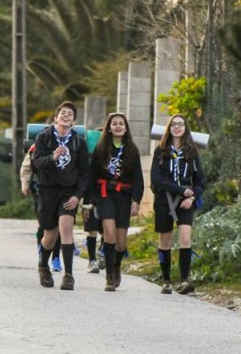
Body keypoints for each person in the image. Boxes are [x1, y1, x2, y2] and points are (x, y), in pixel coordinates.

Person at [32, 101, 88, 290]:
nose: (66, 115)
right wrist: (52, 158)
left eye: (70, 114)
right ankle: (43, 266)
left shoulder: (78, 142)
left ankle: (69, 276)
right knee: (50, 235)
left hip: (68, 192)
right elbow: (37, 163)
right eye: (63, 113)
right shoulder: (44, 138)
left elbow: (84, 172)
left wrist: (77, 196)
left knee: (66, 230)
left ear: (73, 121)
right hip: (47, 191)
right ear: (56, 118)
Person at [84, 113, 144, 291]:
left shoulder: (132, 150)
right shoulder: (101, 148)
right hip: (105, 194)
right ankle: (109, 276)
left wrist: (136, 200)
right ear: (109, 128)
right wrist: (88, 201)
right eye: (114, 123)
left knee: (121, 243)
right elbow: (92, 175)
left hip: (124, 196)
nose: (118, 126)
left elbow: (138, 179)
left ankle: (117, 267)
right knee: (109, 233)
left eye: (121, 124)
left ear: (126, 128)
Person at [150, 114, 206, 294]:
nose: (177, 127)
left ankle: (184, 280)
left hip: (186, 202)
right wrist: (181, 190)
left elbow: (200, 181)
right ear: (168, 128)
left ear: (185, 128)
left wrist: (191, 197)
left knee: (185, 238)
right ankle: (166, 280)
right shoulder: (161, 150)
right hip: (163, 200)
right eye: (173, 124)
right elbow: (156, 179)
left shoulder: (192, 151)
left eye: (180, 124)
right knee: (164, 240)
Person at [20, 140, 62, 272]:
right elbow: (27, 167)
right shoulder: (38, 145)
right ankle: (42, 253)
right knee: (44, 224)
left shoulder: (70, 144)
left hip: (62, 190)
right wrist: (25, 185)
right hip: (40, 190)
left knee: (59, 226)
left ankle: (55, 257)